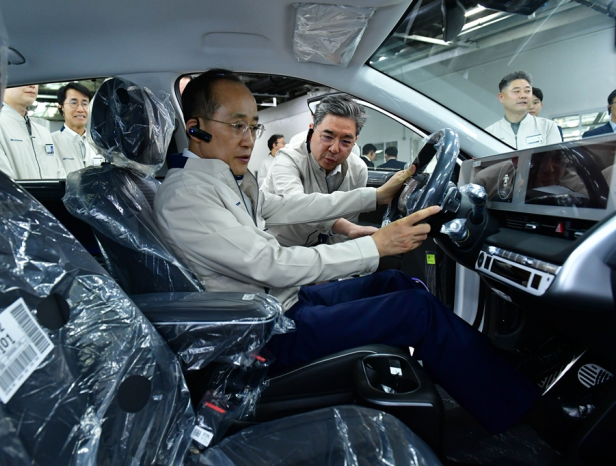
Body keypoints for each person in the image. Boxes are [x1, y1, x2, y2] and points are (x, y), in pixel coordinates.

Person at [154, 69, 540, 434]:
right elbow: (269, 263)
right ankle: (524, 417)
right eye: (237, 125)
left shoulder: (222, 177)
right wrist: (374, 244)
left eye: (253, 126)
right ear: (195, 128)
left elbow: (287, 207)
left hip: (281, 304)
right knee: (417, 310)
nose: (248, 139)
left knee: (394, 282)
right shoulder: (188, 194)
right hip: (266, 333)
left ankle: (466, 377)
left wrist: (376, 194)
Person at [261, 94, 375, 247]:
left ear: (355, 141)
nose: (334, 149)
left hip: (316, 251)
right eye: (327, 136)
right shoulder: (287, 158)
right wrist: (376, 197)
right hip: (274, 247)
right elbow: (298, 208)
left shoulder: (358, 170)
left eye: (346, 141)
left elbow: (346, 232)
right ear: (312, 129)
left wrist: (335, 263)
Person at [0, 85, 65, 179]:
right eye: (25, 79)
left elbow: (59, 174)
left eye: (35, 81)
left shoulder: (43, 132)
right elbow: (0, 181)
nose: (32, 85)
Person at [485, 71, 562, 150]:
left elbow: (554, 160)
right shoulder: (489, 134)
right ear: (501, 97)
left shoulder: (547, 127)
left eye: (527, 91)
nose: (523, 96)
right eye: (516, 91)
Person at [51, 83, 103, 173]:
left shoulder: (99, 144)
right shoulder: (51, 141)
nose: (80, 109)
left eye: (84, 103)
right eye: (74, 103)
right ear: (61, 108)